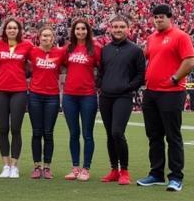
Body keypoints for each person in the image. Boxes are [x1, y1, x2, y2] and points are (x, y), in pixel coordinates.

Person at [137, 4, 194, 191]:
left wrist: (175, 78)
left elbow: (190, 60)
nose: (158, 20)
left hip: (172, 92)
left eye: (161, 16)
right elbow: (145, 57)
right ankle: (156, 174)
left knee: (172, 136)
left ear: (170, 17)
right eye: (155, 17)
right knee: (154, 135)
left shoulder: (181, 36)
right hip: (151, 92)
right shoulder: (151, 38)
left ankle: (176, 177)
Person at [98, 13, 146, 185]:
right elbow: (101, 72)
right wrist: (101, 85)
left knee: (118, 132)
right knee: (109, 135)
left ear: (128, 29)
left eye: (121, 27)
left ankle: (124, 170)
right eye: (115, 27)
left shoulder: (135, 50)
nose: (118, 30)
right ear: (110, 29)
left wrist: (128, 87)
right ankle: (113, 170)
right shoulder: (106, 49)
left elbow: (141, 75)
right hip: (105, 97)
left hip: (123, 97)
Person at [62, 16, 101, 181]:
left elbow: (102, 69)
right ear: (73, 31)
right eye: (77, 29)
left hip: (88, 96)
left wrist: (96, 84)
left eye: (83, 29)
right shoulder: (68, 48)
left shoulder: (96, 48)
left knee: (87, 134)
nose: (80, 31)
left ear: (88, 31)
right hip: (70, 96)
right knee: (73, 133)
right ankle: (75, 167)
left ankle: (86, 168)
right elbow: (62, 65)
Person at [0, 17, 32, 178]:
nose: (12, 30)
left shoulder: (27, 45)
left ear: (19, 30)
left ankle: (14, 166)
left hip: (19, 90)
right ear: (5, 29)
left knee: (16, 129)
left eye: (15, 28)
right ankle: (6, 165)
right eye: (9, 27)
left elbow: (36, 60)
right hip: (1, 90)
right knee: (3, 129)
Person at [26, 25, 63, 180]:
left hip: (52, 96)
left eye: (49, 36)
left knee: (48, 133)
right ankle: (36, 166)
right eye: (44, 36)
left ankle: (47, 167)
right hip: (34, 95)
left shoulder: (60, 53)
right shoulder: (32, 51)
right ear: (39, 37)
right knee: (36, 132)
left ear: (53, 38)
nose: (46, 38)